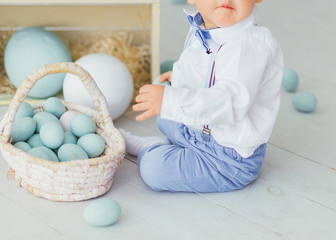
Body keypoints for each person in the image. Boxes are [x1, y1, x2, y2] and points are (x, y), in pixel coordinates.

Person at [119, 0, 284, 192]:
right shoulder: (205, 26)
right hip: (200, 133)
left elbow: (230, 101)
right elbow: (208, 70)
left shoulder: (250, 45)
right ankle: (171, 146)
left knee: (153, 170)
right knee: (164, 117)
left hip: (226, 158)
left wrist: (170, 100)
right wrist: (179, 79)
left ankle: (152, 149)